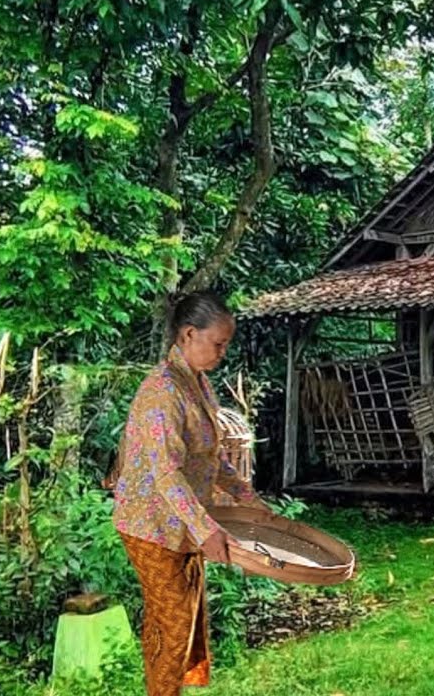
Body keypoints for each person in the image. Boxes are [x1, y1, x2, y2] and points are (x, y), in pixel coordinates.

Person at [107, 292, 268, 696]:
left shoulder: (198, 383)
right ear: (188, 334)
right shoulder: (161, 391)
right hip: (149, 524)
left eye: (225, 344)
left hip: (180, 521)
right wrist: (205, 529)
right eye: (218, 343)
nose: (222, 353)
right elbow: (166, 472)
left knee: (180, 622)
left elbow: (212, 456)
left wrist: (246, 496)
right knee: (174, 622)